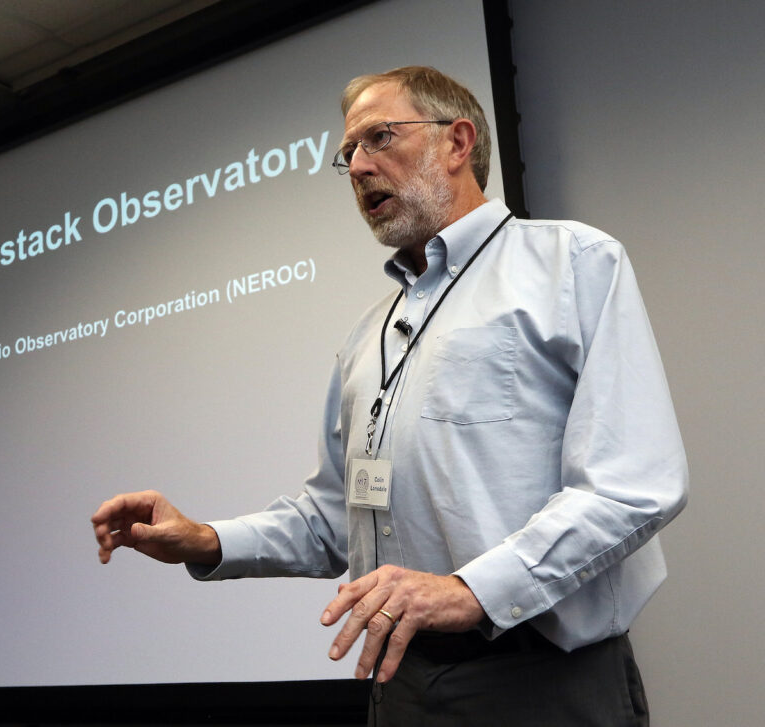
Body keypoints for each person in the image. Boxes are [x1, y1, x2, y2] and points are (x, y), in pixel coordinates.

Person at [91, 66, 688, 725]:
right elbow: (331, 519)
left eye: (378, 138)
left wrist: (471, 590)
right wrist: (204, 539)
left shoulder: (571, 263)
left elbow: (633, 484)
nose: (357, 166)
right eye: (347, 153)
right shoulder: (366, 337)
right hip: (402, 685)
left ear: (457, 142)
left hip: (540, 680)